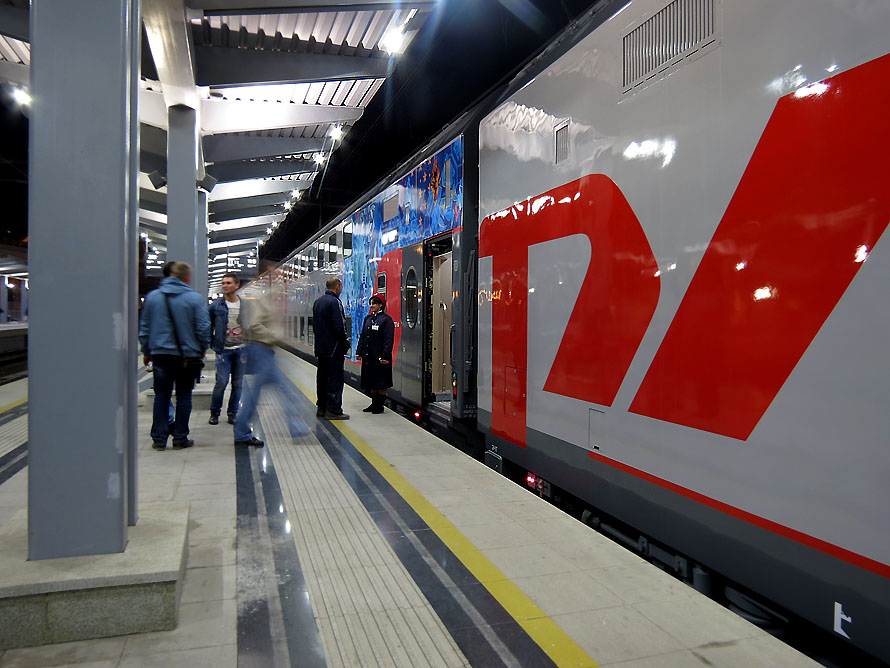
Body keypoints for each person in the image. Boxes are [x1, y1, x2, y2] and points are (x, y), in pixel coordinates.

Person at [139, 262, 210, 450]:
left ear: (170, 275)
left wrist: (146, 351)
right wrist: (202, 348)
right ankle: (180, 438)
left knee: (161, 396)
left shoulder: (153, 297)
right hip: (188, 357)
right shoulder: (195, 299)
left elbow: (144, 328)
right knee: (184, 396)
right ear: (187, 278)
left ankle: (159, 439)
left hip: (161, 356)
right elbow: (203, 328)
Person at [233, 292, 309, 447]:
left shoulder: (272, 300)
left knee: (280, 390)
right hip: (260, 351)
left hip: (265, 352)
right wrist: (273, 335)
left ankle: (297, 428)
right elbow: (254, 324)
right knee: (264, 393)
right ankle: (241, 432)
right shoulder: (264, 300)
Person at [208, 273, 245, 425]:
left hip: (241, 350)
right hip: (223, 350)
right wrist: (212, 343)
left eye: (228, 283)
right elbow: (208, 326)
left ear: (236, 285)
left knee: (237, 383)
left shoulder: (245, 306)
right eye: (223, 283)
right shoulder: (215, 306)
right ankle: (215, 413)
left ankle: (232, 413)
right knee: (221, 383)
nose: (225, 285)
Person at [312, 277, 350, 419]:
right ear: (337, 286)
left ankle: (321, 408)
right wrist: (345, 343)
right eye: (341, 287)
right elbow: (339, 326)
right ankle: (333, 410)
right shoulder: (335, 302)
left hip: (321, 348)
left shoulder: (318, 302)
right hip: (334, 349)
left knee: (322, 377)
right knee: (335, 379)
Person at [356, 295, 394, 414]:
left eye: (374, 303)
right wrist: (359, 351)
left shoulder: (387, 320)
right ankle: (374, 404)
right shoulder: (368, 318)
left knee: (381, 383)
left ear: (380, 305)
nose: (371, 306)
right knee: (372, 381)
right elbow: (363, 336)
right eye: (371, 303)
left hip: (380, 357)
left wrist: (385, 356)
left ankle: (379, 406)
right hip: (369, 356)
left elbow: (388, 340)